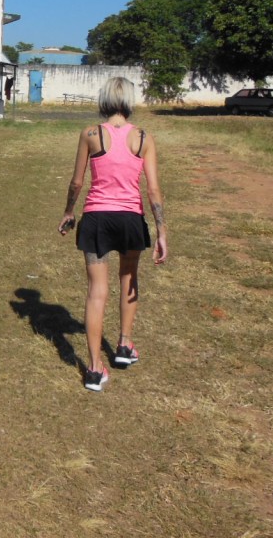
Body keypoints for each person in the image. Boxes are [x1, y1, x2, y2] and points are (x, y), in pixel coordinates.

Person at [57, 77, 167, 392]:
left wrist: (68, 211)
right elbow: (154, 190)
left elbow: (77, 182)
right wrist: (161, 231)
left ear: (104, 99)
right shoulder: (144, 138)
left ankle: (94, 369)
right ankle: (124, 346)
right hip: (131, 220)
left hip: (96, 220)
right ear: (130, 101)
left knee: (97, 292)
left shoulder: (90, 134)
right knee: (129, 279)